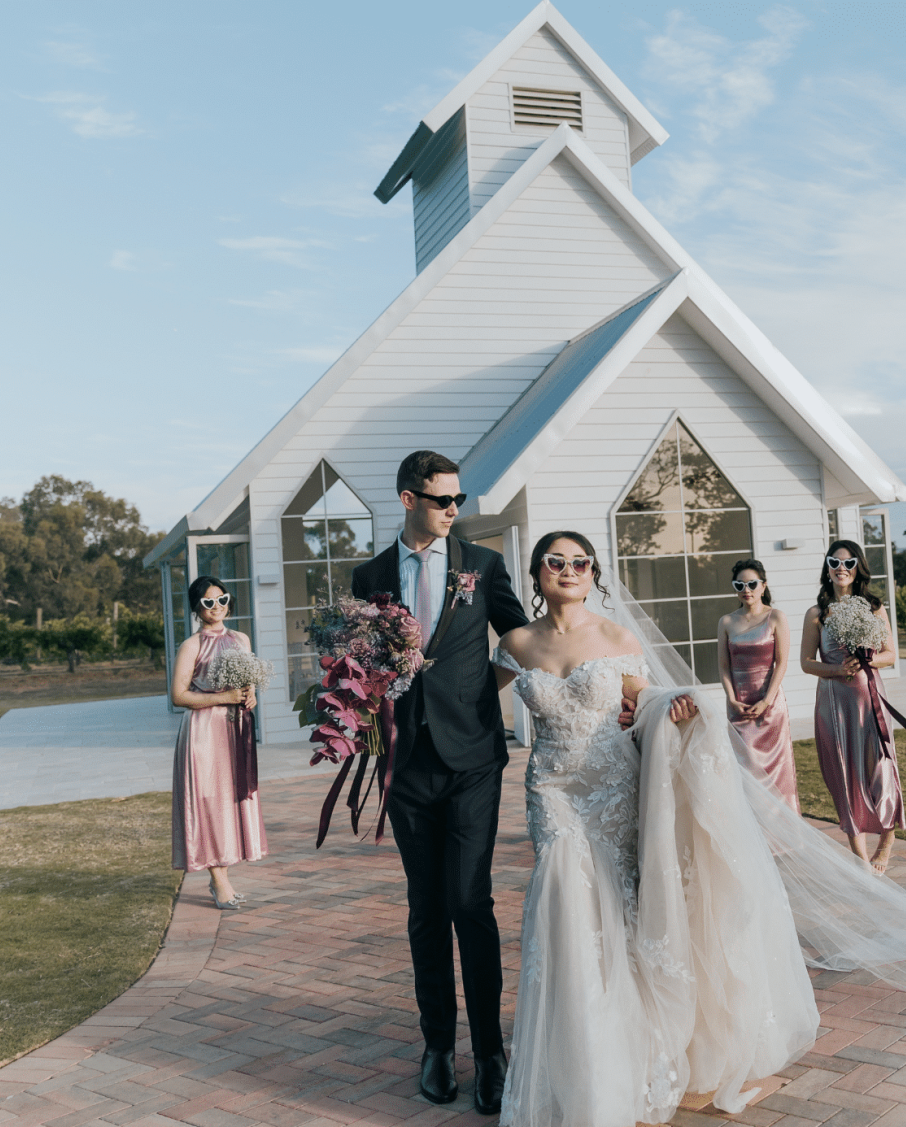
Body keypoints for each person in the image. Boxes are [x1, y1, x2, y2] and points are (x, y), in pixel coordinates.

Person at [492, 532, 820, 1127]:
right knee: (565, 907)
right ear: (536, 572)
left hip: (613, 788)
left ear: (593, 573)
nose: (569, 570)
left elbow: (644, 695)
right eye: (555, 562)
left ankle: (633, 1053)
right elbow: (470, 702)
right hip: (553, 792)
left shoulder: (617, 637)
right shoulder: (514, 643)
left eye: (580, 562)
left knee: (620, 911)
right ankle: (582, 1067)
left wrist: (679, 704)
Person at [350, 450, 527, 1115]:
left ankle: (489, 1052)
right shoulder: (369, 575)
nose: (455, 510)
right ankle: (435, 1046)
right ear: (407, 500)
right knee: (426, 905)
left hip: (474, 758)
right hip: (404, 762)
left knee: (468, 900)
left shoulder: (481, 566)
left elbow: (523, 637)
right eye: (442, 500)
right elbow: (356, 658)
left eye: (458, 500)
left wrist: (492, 687)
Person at [800, 540, 902, 872]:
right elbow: (805, 662)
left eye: (848, 562)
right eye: (835, 562)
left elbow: (890, 654)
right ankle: (860, 858)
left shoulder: (873, 608)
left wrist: (865, 660)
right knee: (844, 775)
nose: (841, 568)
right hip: (833, 703)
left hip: (869, 699)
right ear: (827, 568)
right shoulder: (817, 613)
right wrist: (836, 670)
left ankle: (886, 844)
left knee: (880, 769)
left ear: (858, 567)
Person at [169, 576, 266, 910]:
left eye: (221, 599)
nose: (217, 607)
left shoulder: (241, 638)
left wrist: (250, 693)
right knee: (208, 801)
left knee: (231, 799)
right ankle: (218, 881)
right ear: (197, 607)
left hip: (236, 729)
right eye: (208, 602)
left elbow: (248, 678)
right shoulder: (191, 645)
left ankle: (224, 874)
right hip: (204, 732)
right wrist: (224, 696)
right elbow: (178, 695)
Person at [717, 559, 796, 810]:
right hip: (738, 706)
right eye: (739, 584)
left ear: (763, 586)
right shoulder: (726, 622)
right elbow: (724, 667)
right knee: (744, 774)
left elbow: (782, 664)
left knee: (776, 775)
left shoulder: (776, 617)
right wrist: (730, 698)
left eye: (752, 584)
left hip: (770, 707)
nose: (746, 589)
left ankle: (783, 839)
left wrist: (766, 700)